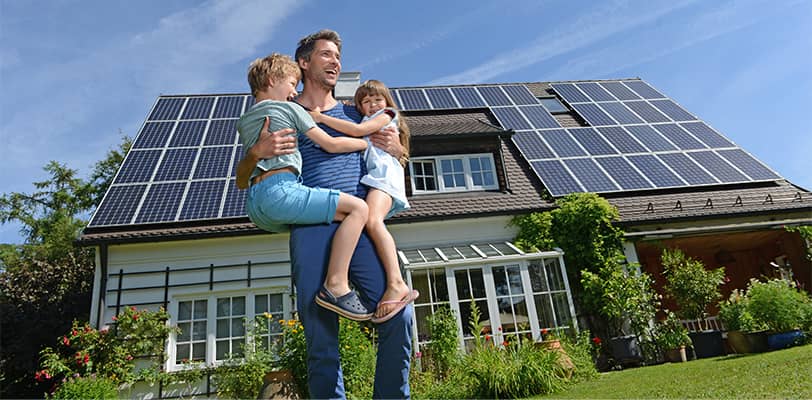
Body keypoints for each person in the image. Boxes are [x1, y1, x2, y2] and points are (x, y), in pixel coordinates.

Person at [236, 29, 413, 398]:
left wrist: (399, 148)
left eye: (338, 56)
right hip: (312, 224)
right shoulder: (283, 111)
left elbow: (391, 163)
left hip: (359, 225)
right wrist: (256, 153)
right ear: (303, 62)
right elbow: (245, 176)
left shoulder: (355, 115)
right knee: (320, 338)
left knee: (399, 312)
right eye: (326, 55)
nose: (335, 62)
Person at [236, 53, 374, 321]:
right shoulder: (290, 109)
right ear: (272, 79)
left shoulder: (246, 120)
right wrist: (364, 144)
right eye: (291, 83)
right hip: (281, 191)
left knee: (320, 217)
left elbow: (243, 177)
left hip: (256, 204)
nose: (294, 91)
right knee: (358, 209)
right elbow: (330, 144)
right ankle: (336, 284)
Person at [309, 79, 416, 323]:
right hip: (377, 180)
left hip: (384, 180)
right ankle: (394, 281)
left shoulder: (387, 114)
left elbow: (357, 132)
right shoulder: (367, 119)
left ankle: (397, 283)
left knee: (374, 221)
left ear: (386, 101)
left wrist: (321, 118)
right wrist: (348, 107)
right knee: (371, 222)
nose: (371, 105)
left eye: (376, 99)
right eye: (365, 102)